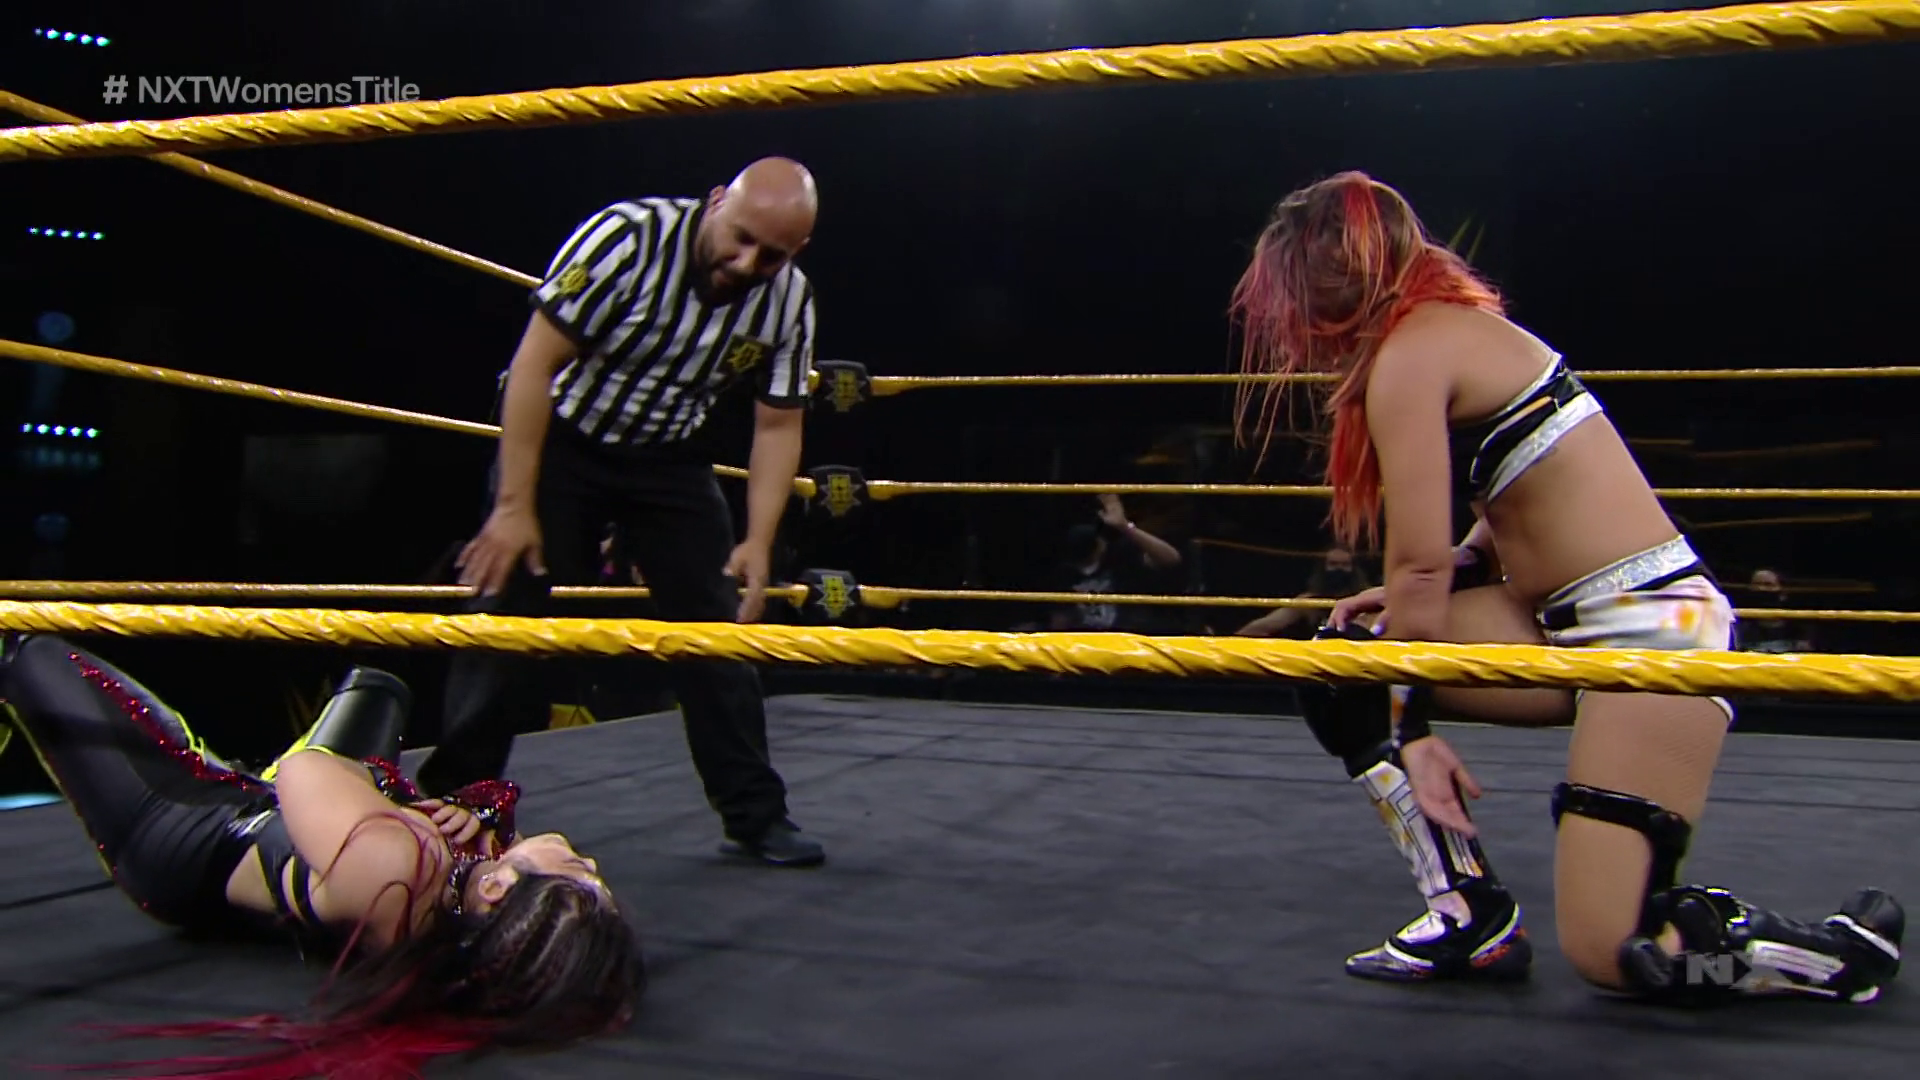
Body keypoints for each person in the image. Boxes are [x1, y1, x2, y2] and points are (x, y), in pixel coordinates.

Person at [1227, 170, 1903, 1004]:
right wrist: (1453, 583)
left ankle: (1823, 956)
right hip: (1551, 619)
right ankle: (1467, 914)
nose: (1292, 328)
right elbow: (1511, 501)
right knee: (1345, 664)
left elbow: (1418, 571)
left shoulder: (1413, 353)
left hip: (1656, 634)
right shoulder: (1456, 334)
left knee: (1622, 954)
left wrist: (1409, 729)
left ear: (1328, 281)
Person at [0, 632, 642, 1078]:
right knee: (378, 689)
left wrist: (407, 806)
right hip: (286, 819)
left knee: (29, 654)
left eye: (578, 874)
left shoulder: (395, 867)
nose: (589, 862)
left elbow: (302, 768)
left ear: (500, 890)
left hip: (185, 824)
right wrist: (469, 815)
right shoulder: (463, 914)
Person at [423, 157, 825, 867]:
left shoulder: (790, 300)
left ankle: (756, 815)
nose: (746, 263)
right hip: (564, 440)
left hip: (668, 457)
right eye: (740, 239)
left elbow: (777, 425)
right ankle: (455, 806)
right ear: (715, 202)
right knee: (507, 605)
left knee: (715, 630)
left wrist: (758, 540)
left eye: (770, 255)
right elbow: (533, 364)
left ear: (797, 252)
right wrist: (513, 505)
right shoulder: (627, 238)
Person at [1234, 544, 1370, 638]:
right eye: (1333, 564)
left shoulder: (1365, 601)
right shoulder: (1309, 601)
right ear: (1322, 568)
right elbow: (1266, 624)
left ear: (1354, 569)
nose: (1339, 569)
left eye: (1345, 565)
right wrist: (1230, 642)